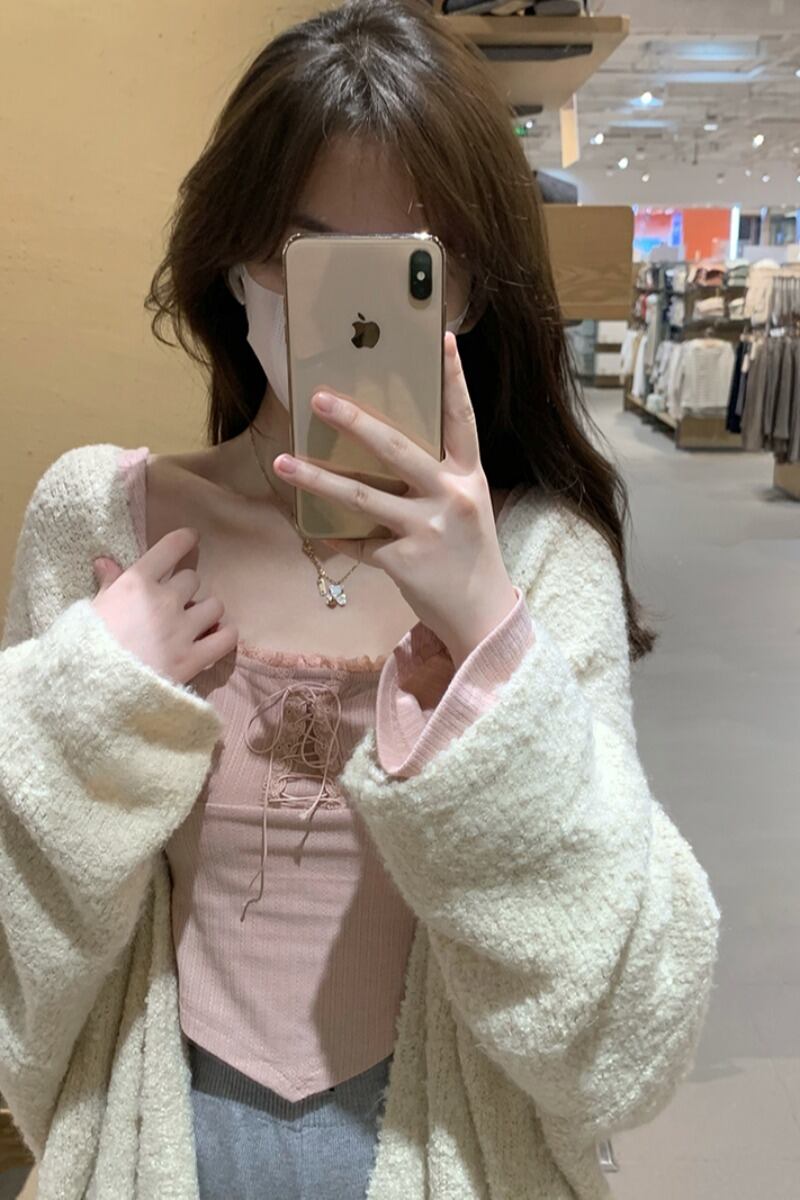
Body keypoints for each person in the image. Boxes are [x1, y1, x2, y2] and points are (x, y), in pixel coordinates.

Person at [0, 2, 720, 1198]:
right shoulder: (104, 524)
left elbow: (620, 1046)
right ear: (234, 259)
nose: (353, 310)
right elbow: (24, 961)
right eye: (308, 253)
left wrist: (488, 641)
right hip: (159, 1149)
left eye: (409, 267)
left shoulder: (541, 563)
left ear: (469, 291)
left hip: (452, 1155)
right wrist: (81, 701)